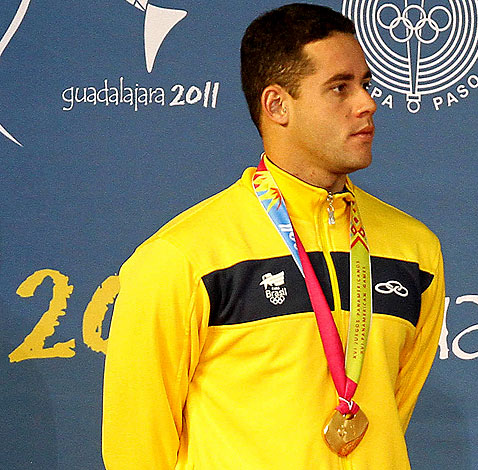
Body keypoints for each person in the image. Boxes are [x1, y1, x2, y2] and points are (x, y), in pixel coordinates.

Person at [102, 3, 445, 469]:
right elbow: (136, 451)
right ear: (277, 105)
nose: (366, 102)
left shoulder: (414, 249)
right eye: (339, 88)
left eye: (365, 84)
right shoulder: (183, 257)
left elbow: (391, 411)